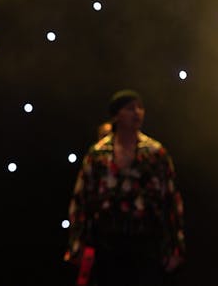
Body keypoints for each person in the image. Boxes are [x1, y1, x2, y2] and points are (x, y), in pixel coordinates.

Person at [64, 89, 185, 286]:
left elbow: (171, 201)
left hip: (145, 242)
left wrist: (175, 245)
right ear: (116, 115)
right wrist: (78, 244)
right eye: (130, 108)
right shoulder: (98, 154)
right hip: (108, 243)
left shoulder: (155, 153)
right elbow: (81, 200)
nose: (137, 113)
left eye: (140, 108)